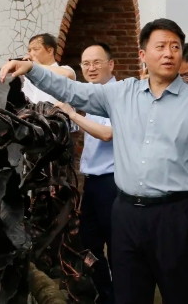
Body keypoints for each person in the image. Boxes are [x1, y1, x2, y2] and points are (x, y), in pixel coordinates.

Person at [0, 18, 188, 304]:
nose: (169, 53)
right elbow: (74, 91)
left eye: (175, 47)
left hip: (174, 215)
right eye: (161, 46)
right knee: (128, 292)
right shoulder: (121, 93)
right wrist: (32, 69)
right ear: (143, 54)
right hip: (126, 212)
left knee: (180, 294)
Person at [53, 42, 117, 304]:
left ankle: (120, 296)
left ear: (111, 64)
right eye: (86, 64)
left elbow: (107, 134)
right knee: (89, 243)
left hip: (113, 183)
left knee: (117, 246)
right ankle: (107, 295)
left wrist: (72, 114)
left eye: (96, 62)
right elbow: (84, 128)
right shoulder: (93, 95)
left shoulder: (118, 95)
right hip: (92, 184)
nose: (90, 68)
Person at [20, 33, 76, 103]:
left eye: (36, 49)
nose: (31, 54)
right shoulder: (27, 77)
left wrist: (38, 66)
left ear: (50, 51)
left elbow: (68, 74)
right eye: (29, 51)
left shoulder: (65, 69)